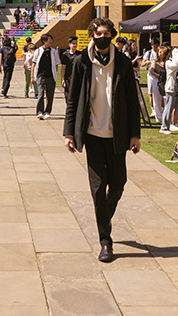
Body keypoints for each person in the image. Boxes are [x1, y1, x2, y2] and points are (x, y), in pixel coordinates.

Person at [62, 17, 141, 263]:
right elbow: (73, 98)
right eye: (98, 34)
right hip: (93, 134)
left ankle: (102, 217)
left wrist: (135, 134)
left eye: (107, 34)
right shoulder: (81, 62)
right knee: (98, 189)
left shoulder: (124, 63)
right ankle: (105, 241)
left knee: (118, 184)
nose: (102, 38)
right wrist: (68, 132)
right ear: (92, 36)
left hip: (116, 134)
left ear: (113, 36)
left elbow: (132, 101)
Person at [34, 34, 61, 119]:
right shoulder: (38, 51)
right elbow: (34, 64)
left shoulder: (53, 52)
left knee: (50, 95)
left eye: (51, 39)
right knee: (41, 94)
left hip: (50, 76)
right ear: (44, 41)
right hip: (40, 75)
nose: (50, 41)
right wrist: (32, 76)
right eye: (49, 39)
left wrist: (54, 74)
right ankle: (40, 112)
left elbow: (57, 64)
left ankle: (47, 111)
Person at [141, 37, 164, 123]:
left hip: (159, 74)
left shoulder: (160, 52)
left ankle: (161, 109)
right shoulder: (149, 53)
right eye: (153, 46)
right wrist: (149, 62)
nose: (155, 48)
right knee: (151, 93)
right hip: (151, 75)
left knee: (161, 93)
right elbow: (143, 63)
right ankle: (153, 110)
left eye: (156, 46)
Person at [160, 45, 178, 134]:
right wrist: (175, 52)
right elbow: (175, 65)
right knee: (169, 108)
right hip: (170, 88)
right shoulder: (169, 62)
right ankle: (164, 127)